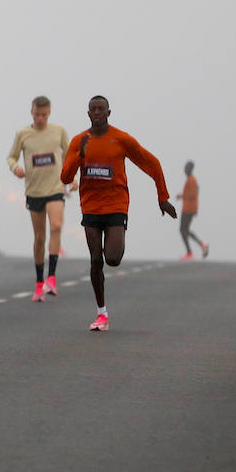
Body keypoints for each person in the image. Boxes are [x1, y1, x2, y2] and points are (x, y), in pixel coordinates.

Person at [60, 95, 175, 332]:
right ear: (88, 114)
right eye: (93, 110)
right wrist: (79, 156)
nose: (98, 113)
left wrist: (162, 197)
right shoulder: (78, 141)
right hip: (90, 206)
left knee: (112, 259)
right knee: (95, 259)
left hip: (116, 206)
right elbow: (65, 178)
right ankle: (102, 313)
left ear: (109, 113)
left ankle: (114, 243)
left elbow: (151, 163)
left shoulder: (121, 139)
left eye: (102, 109)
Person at [6, 95, 74, 302]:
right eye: (37, 115)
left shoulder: (59, 132)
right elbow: (11, 156)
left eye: (44, 115)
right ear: (31, 112)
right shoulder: (23, 134)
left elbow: (71, 155)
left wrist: (73, 179)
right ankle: (38, 281)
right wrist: (15, 168)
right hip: (34, 191)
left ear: (49, 113)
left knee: (55, 226)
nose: (40, 119)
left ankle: (51, 278)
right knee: (39, 238)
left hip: (55, 188)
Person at [176, 161, 207, 260]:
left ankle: (190, 252)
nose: (184, 170)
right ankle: (201, 245)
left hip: (189, 208)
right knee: (185, 230)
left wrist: (181, 196)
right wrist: (182, 196)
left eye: (186, 168)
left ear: (190, 169)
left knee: (183, 229)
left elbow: (192, 195)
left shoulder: (192, 180)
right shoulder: (190, 180)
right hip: (189, 207)